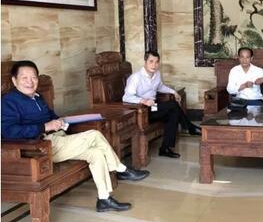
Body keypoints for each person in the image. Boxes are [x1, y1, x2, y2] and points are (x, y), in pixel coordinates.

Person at [2, 60, 150, 212]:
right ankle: (120, 169)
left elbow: (51, 116)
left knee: (96, 153)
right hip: (39, 148)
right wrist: (44, 127)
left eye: (33, 77)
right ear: (14, 80)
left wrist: (58, 121)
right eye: (24, 78)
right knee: (94, 135)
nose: (30, 82)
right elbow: (8, 131)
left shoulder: (37, 97)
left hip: (58, 140)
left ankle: (104, 199)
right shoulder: (9, 102)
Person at [123, 50, 201, 159]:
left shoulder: (157, 74)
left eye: (156, 62)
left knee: (173, 113)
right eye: (151, 61)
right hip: (143, 111)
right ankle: (190, 127)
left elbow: (160, 87)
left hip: (153, 107)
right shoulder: (136, 77)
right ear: (145, 62)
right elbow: (126, 97)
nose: (154, 65)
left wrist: (173, 92)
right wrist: (143, 101)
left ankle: (165, 148)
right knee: (173, 105)